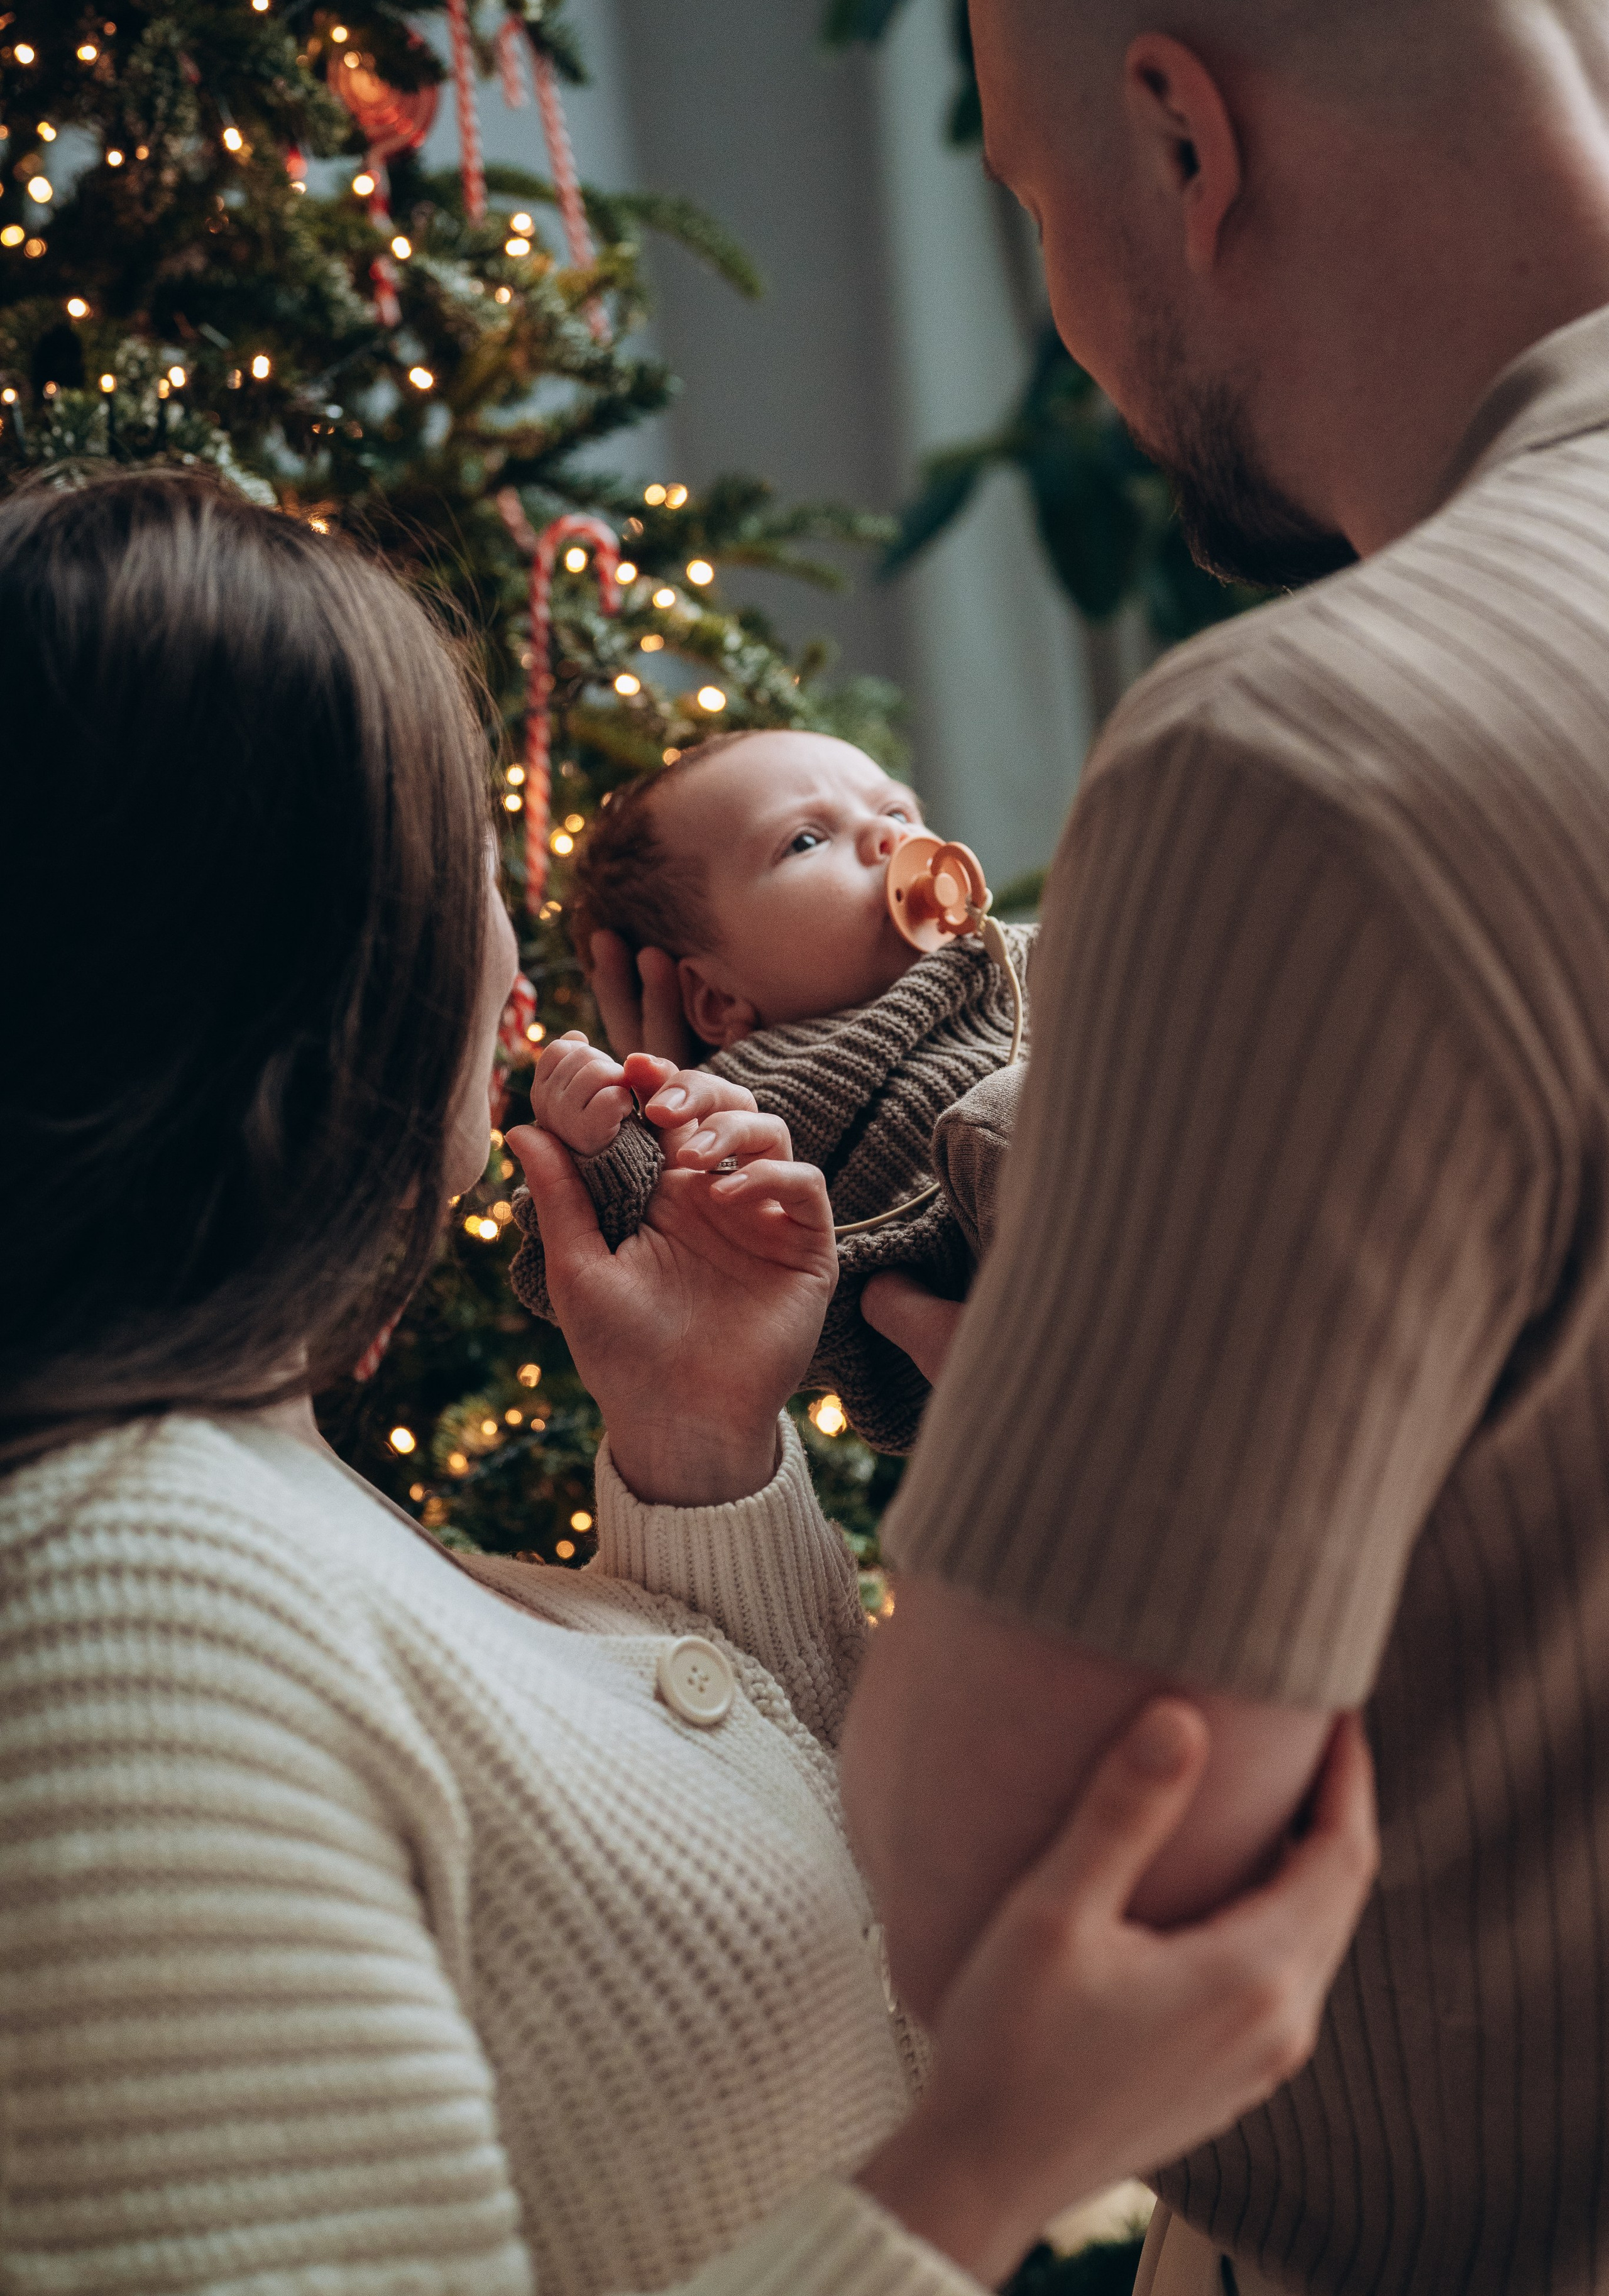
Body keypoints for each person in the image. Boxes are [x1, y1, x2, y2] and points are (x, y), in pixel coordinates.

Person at [0, 473, 1377, 2296]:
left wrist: (704, 1441)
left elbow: (772, 1900)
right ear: (306, 969)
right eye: (470, 873)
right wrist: (1000, 2151)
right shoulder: (121, 1605)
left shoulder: (239, 1495)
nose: (517, 973)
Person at [834, 0, 1609, 2289]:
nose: (1072, 326)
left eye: (1047, 217)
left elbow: (992, 1917)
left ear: (1180, 136)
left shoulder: (1309, 765)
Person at [509, 729, 1031, 1451]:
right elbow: (622, 1239)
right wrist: (610, 1137)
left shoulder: (1013, 955)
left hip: (1148, 1203)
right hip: (1001, 1287)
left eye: (899, 811)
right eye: (806, 841)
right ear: (717, 1002)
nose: (888, 837)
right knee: (1005, 1112)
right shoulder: (751, 1087)